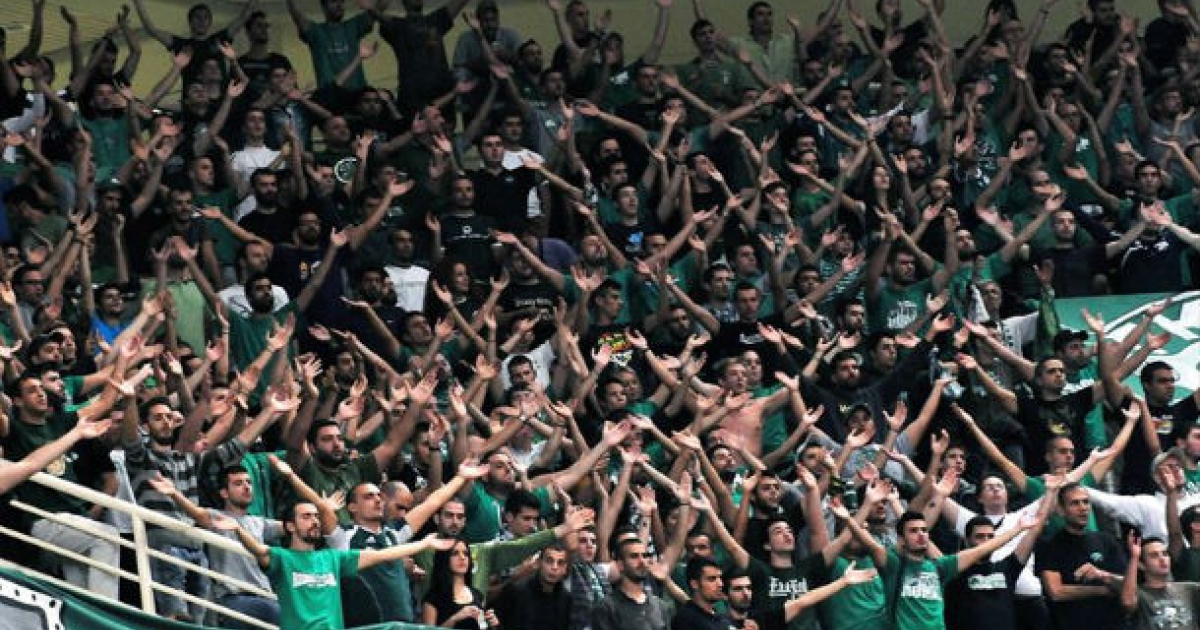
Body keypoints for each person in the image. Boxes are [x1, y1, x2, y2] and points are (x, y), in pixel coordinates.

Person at [217, 500, 455, 630]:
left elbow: (384, 554)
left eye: (316, 516)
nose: (315, 521)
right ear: (290, 526)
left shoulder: (333, 558)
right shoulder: (282, 557)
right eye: (306, 517)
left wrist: (423, 544)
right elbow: (258, 550)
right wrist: (238, 530)